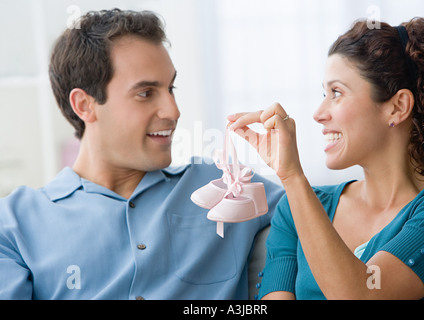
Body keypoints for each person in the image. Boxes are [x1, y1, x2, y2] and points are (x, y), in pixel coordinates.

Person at [0, 9, 284, 300]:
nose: (173, 111)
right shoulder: (14, 224)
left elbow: (310, 214)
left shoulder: (222, 185)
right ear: (84, 105)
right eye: (146, 93)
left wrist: (279, 286)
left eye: (170, 88)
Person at [228, 17, 424, 299]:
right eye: (324, 93)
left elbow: (363, 293)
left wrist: (294, 177)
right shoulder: (296, 209)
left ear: (397, 107)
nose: (319, 113)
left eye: (336, 92)